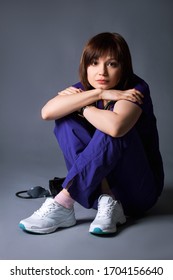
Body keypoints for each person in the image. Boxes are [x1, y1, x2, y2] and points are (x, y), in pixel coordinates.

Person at [19, 32, 164, 235]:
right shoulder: (89, 88)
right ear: (85, 66)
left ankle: (65, 200)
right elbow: (47, 112)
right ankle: (107, 201)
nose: (101, 72)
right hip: (96, 197)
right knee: (65, 120)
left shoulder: (135, 89)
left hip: (138, 193)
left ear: (124, 67)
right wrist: (98, 94)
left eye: (112, 64)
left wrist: (82, 108)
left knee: (113, 127)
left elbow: (116, 128)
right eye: (94, 63)